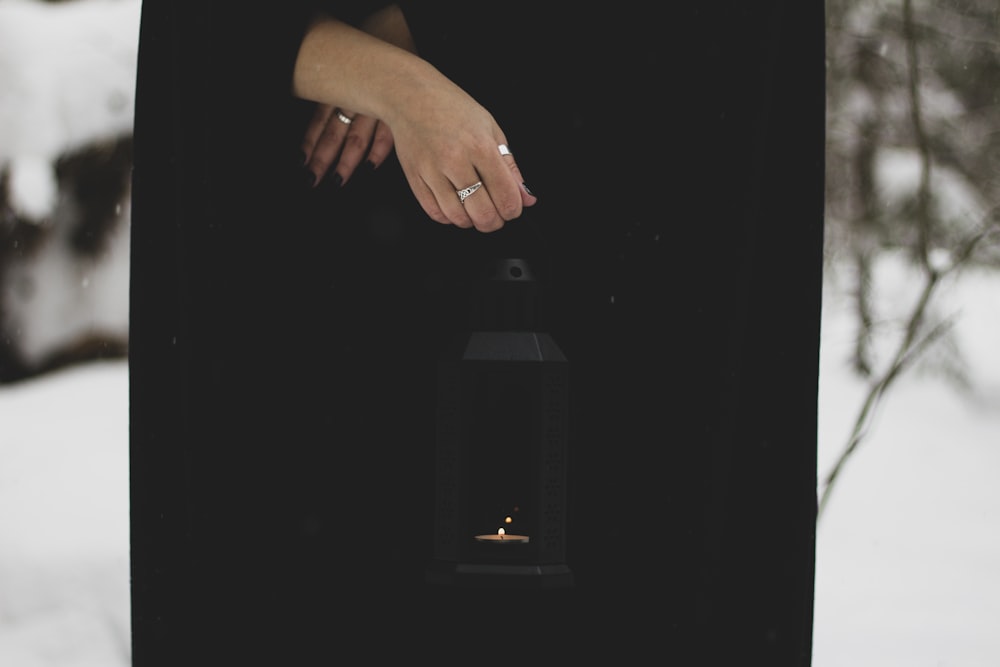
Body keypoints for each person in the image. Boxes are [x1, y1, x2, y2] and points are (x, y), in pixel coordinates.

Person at [130, 2, 825, 664]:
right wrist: (389, 76)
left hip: (632, 262)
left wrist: (429, 25)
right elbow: (198, 30)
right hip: (332, 311)